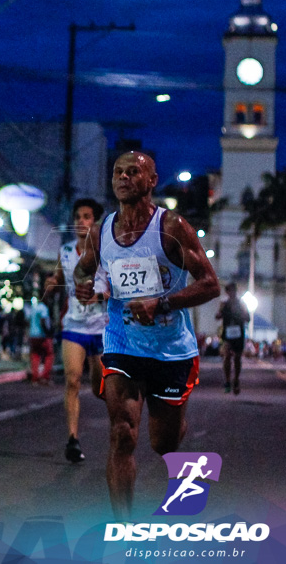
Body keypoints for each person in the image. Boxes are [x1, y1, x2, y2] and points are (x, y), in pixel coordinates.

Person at [74, 151, 219, 521]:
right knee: (122, 435)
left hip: (171, 352)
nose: (123, 177)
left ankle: (177, 430)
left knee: (162, 443)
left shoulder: (171, 228)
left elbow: (210, 284)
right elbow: (82, 272)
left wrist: (163, 303)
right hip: (123, 346)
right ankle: (123, 528)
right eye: (117, 172)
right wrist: (85, 287)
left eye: (133, 171)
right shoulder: (101, 231)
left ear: (152, 180)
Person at [44, 197, 109, 463]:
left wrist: (100, 297)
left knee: (98, 388)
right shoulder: (66, 251)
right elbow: (58, 277)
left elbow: (118, 288)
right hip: (74, 325)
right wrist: (51, 282)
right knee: (72, 380)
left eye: (86, 217)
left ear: (95, 222)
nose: (81, 222)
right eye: (78, 217)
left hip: (102, 328)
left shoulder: (106, 253)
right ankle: (72, 439)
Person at [216, 282, 249, 395]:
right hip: (228, 333)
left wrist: (240, 314)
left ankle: (236, 379)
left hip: (238, 333)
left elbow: (248, 317)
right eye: (229, 291)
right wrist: (221, 314)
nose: (232, 293)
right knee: (227, 356)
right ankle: (227, 381)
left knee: (237, 358)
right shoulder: (223, 304)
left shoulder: (242, 304)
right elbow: (217, 316)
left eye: (233, 291)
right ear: (227, 292)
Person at [25, 296, 53, 384]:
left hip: (33, 335)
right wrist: (48, 333)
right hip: (41, 335)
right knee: (49, 354)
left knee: (35, 355)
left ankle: (35, 377)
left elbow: (28, 321)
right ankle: (45, 376)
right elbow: (43, 320)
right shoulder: (43, 308)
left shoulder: (34, 308)